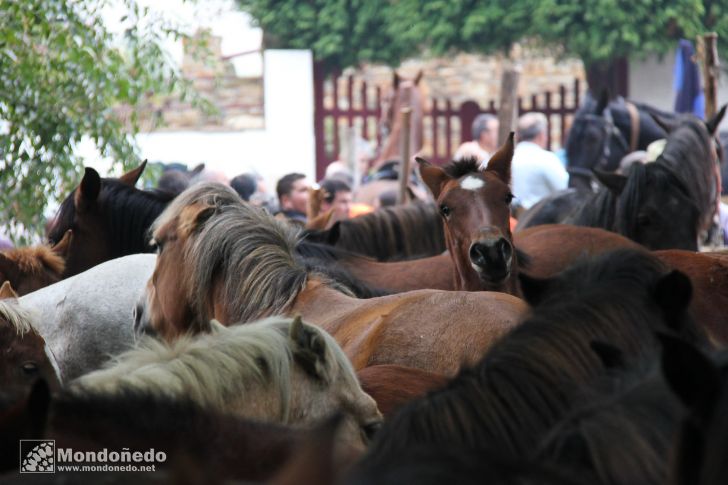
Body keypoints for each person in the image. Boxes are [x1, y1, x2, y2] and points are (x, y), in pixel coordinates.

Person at [511, 112, 569, 212]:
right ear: (542, 135)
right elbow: (565, 191)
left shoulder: (505, 159)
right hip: (540, 223)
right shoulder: (546, 159)